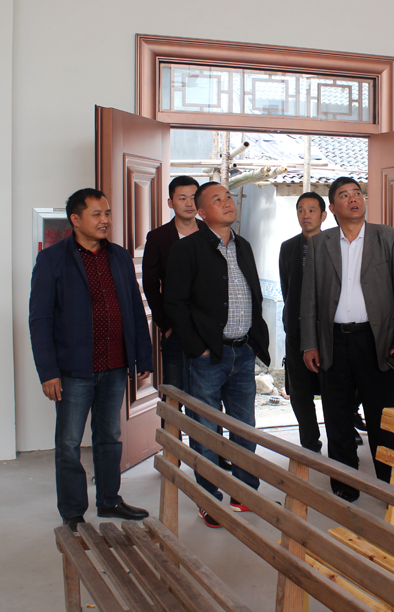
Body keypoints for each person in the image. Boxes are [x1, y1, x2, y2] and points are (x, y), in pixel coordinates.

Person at [29, 188, 154, 532]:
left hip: (115, 365)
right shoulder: (52, 259)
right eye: (97, 214)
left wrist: (142, 356)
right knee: (69, 442)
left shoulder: (119, 256)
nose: (105, 220)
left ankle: (109, 501)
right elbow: (40, 319)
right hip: (73, 370)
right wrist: (48, 372)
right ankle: (72, 512)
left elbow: (135, 308)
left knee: (110, 437)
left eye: (107, 213)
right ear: (75, 219)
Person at [164, 181, 271, 529]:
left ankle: (244, 492)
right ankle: (209, 498)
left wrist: (255, 341)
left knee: (245, 427)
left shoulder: (244, 246)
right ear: (201, 212)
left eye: (228, 197)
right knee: (206, 429)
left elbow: (253, 295)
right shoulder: (187, 249)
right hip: (208, 356)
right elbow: (175, 303)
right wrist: (199, 348)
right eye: (217, 199)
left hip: (243, 352)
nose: (227, 202)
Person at [301, 177, 394, 502]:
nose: (353, 199)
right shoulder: (320, 243)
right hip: (333, 341)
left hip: (375, 340)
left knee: (383, 416)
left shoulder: (388, 238)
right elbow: (309, 298)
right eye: (344, 195)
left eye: (357, 193)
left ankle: (392, 484)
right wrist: (310, 343)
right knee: (337, 415)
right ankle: (345, 482)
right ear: (332, 207)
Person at [141, 175, 205, 391]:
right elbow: (151, 284)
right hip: (175, 327)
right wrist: (166, 326)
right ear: (171, 203)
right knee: (173, 393)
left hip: (208, 328)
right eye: (182, 198)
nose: (189, 203)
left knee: (205, 396)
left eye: (193, 198)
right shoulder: (158, 237)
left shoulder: (210, 233)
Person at [279, 191, 327, 453]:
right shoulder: (288, 247)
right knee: (299, 391)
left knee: (333, 388)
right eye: (300, 210)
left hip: (328, 331)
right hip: (297, 329)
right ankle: (309, 440)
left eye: (311, 210)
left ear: (323, 215)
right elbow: (287, 288)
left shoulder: (334, 244)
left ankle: (344, 432)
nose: (305, 215)